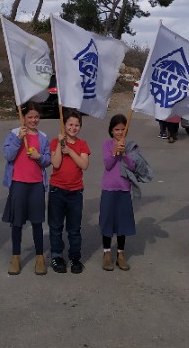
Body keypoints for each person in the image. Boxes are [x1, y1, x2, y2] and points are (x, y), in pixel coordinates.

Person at [2, 101, 51, 276]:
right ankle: (16, 256)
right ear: (23, 117)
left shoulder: (43, 137)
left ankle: (39, 257)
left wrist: (39, 157)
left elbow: (47, 160)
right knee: (17, 222)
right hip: (18, 183)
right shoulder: (14, 134)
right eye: (30, 117)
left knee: (37, 221)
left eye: (36, 117)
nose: (33, 120)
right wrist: (17, 140)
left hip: (37, 184)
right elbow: (8, 155)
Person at [48, 110, 91, 274]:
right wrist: (60, 144)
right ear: (64, 125)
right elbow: (56, 163)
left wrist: (71, 152)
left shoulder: (82, 144)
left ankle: (75, 257)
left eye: (77, 125)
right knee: (56, 226)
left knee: (74, 228)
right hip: (57, 190)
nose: (73, 128)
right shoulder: (55, 142)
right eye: (70, 124)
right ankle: (57, 256)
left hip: (75, 192)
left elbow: (84, 165)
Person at [99, 114, 137, 271]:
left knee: (122, 222)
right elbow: (107, 164)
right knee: (107, 220)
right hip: (109, 187)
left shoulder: (131, 146)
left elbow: (134, 166)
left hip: (124, 188)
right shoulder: (107, 144)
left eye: (122, 129)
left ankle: (121, 253)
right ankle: (107, 253)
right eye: (116, 129)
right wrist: (115, 151)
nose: (120, 132)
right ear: (111, 130)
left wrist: (125, 154)